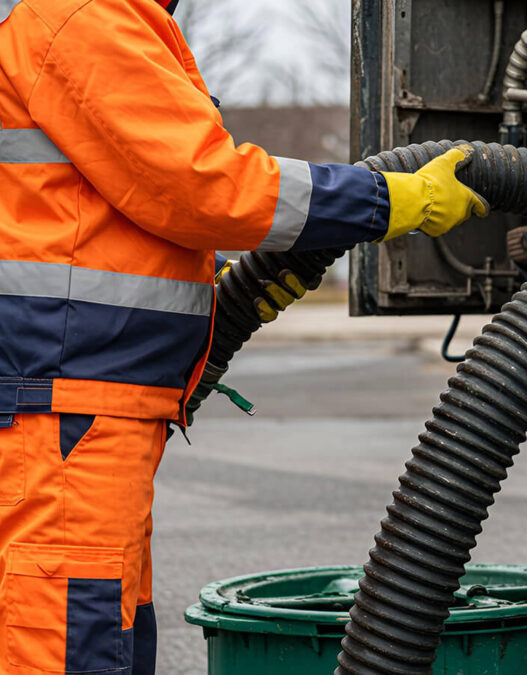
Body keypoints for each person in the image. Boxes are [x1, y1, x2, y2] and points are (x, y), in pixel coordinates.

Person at [0, 0, 488, 671]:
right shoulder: (80, 14)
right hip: (66, 407)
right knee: (68, 644)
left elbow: (99, 210)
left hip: (79, 403)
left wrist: (233, 280)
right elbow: (203, 185)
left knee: (101, 636)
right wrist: (387, 202)